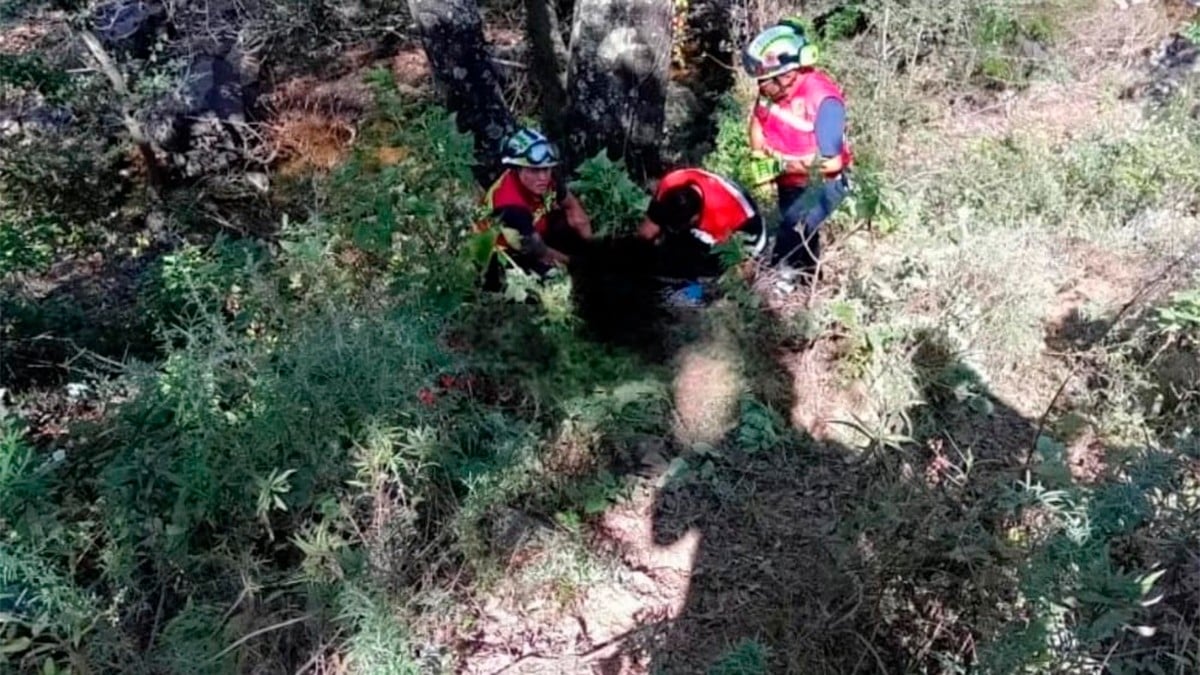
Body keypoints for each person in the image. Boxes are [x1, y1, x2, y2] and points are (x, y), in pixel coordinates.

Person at [742, 18, 854, 285]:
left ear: (788, 73)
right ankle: (810, 284)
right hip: (789, 182)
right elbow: (758, 120)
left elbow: (832, 163)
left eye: (765, 80)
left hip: (822, 184)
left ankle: (777, 289)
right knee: (804, 240)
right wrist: (759, 157)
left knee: (792, 229)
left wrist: (782, 165)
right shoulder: (771, 91)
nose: (761, 87)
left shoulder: (823, 101)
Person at [475, 127, 593, 291]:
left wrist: (591, 251)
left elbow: (574, 210)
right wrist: (580, 266)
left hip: (537, 231)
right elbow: (539, 252)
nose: (543, 177)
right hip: (506, 255)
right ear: (518, 169)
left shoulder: (548, 180)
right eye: (535, 171)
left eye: (547, 169)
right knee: (556, 284)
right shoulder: (509, 204)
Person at [636, 167, 766, 305]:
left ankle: (687, 295)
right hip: (707, 225)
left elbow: (742, 269)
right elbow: (647, 230)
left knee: (713, 287)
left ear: (696, 217)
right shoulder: (670, 183)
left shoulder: (729, 217)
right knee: (663, 255)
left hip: (745, 234)